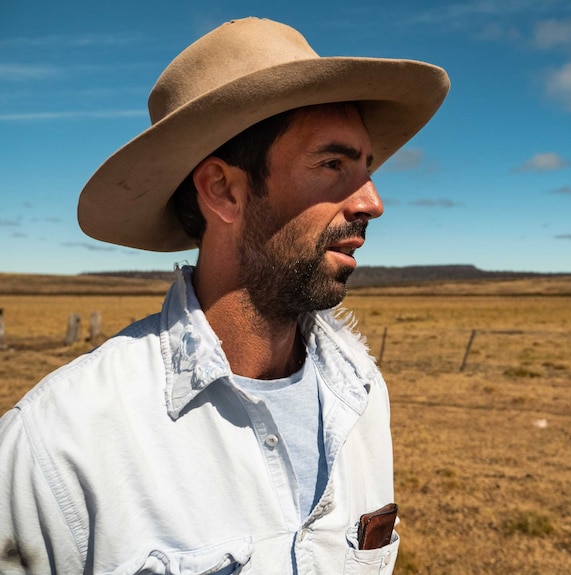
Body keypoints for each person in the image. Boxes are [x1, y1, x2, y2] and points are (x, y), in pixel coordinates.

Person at [0, 17, 449, 575]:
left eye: (367, 167)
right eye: (332, 164)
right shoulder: (61, 443)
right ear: (224, 191)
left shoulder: (360, 391)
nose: (372, 202)